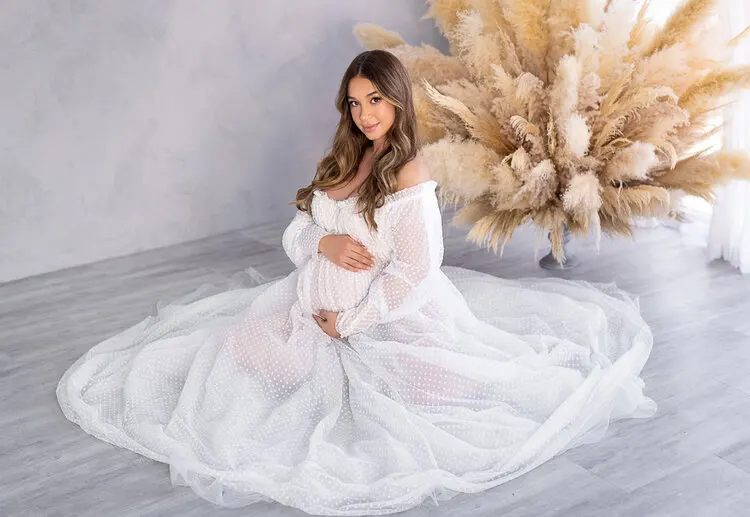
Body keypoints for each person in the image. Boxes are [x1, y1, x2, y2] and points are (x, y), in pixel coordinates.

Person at [56, 50, 656, 515]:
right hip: (306, 307)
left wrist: (352, 321)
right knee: (231, 356)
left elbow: (415, 270)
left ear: (397, 101)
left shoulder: (409, 174)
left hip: (379, 320)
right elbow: (294, 236)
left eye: (375, 100)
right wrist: (325, 241)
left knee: (419, 409)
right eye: (354, 103)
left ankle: (383, 373)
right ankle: (314, 365)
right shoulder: (343, 162)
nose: (365, 114)